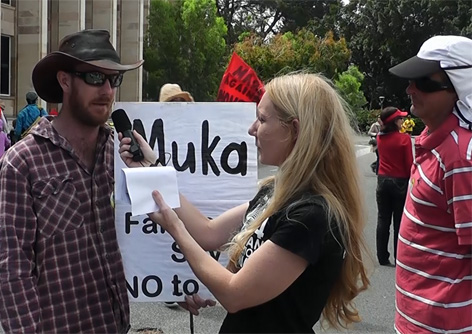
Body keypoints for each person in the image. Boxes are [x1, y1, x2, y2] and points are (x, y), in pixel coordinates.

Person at [119, 73, 370, 333]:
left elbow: (233, 294)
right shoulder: (276, 192)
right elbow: (208, 232)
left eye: (262, 119)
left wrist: (174, 228)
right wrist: (152, 167)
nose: (252, 129)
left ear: (294, 130)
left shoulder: (311, 216)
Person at [0, 29, 143, 333]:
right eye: (94, 78)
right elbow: (12, 270)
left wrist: (181, 284)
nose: (107, 90)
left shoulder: (121, 154)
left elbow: (153, 233)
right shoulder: (22, 163)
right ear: (65, 80)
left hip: (114, 324)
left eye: (113, 79)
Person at [388, 35, 472, 334]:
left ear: (458, 87)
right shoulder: (433, 144)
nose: (410, 89)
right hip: (416, 319)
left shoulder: (461, 157)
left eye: (423, 81)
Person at [159, 83, 194, 309]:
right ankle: (168, 287)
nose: (179, 106)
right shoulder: (153, 128)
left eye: (182, 101)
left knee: (187, 239)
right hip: (164, 193)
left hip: (187, 192)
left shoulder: (195, 126)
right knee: (166, 240)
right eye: (173, 101)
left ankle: (189, 285)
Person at [374, 107, 412, 266]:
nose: (402, 121)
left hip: (383, 181)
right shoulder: (404, 139)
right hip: (400, 182)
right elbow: (409, 164)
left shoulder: (379, 138)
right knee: (398, 221)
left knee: (383, 220)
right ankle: (399, 257)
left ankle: (382, 257)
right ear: (394, 122)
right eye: (400, 119)